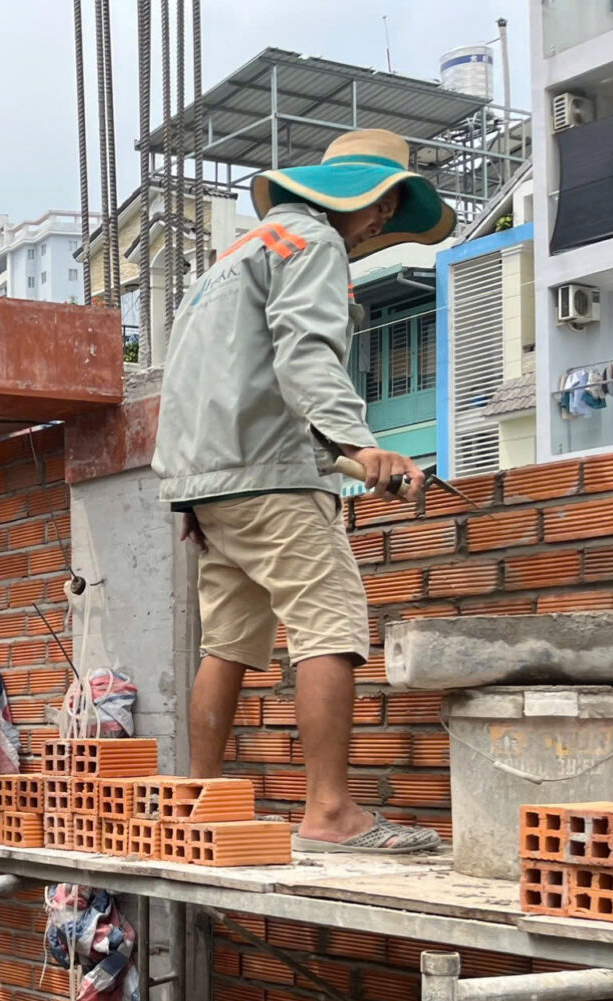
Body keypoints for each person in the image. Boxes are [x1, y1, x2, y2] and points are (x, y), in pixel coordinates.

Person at [153, 128, 452, 856]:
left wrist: (195, 493)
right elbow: (306, 355)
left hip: (214, 486)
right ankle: (330, 813)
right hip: (273, 482)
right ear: (352, 195)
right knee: (330, 624)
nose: (381, 221)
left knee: (227, 641)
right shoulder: (313, 243)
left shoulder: (235, 257)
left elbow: (214, 386)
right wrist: (358, 442)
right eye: (383, 204)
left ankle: (200, 800)